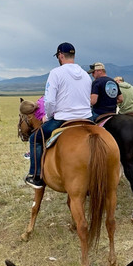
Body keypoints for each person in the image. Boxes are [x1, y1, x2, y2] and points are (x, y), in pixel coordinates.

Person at [25, 42, 92, 189]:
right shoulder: (86, 76)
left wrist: (48, 117)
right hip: (87, 118)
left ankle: (36, 175)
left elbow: (49, 101)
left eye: (58, 56)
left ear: (60, 55)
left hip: (63, 119)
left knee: (35, 138)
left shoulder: (56, 73)